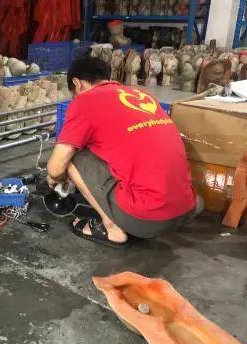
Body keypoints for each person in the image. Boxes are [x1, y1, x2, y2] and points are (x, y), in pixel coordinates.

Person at [46, 56, 197, 248]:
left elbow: (56, 167)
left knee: (73, 159)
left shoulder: (85, 100)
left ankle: (112, 229)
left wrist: (55, 178)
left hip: (149, 218)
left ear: (77, 83)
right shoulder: (141, 95)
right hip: (186, 207)